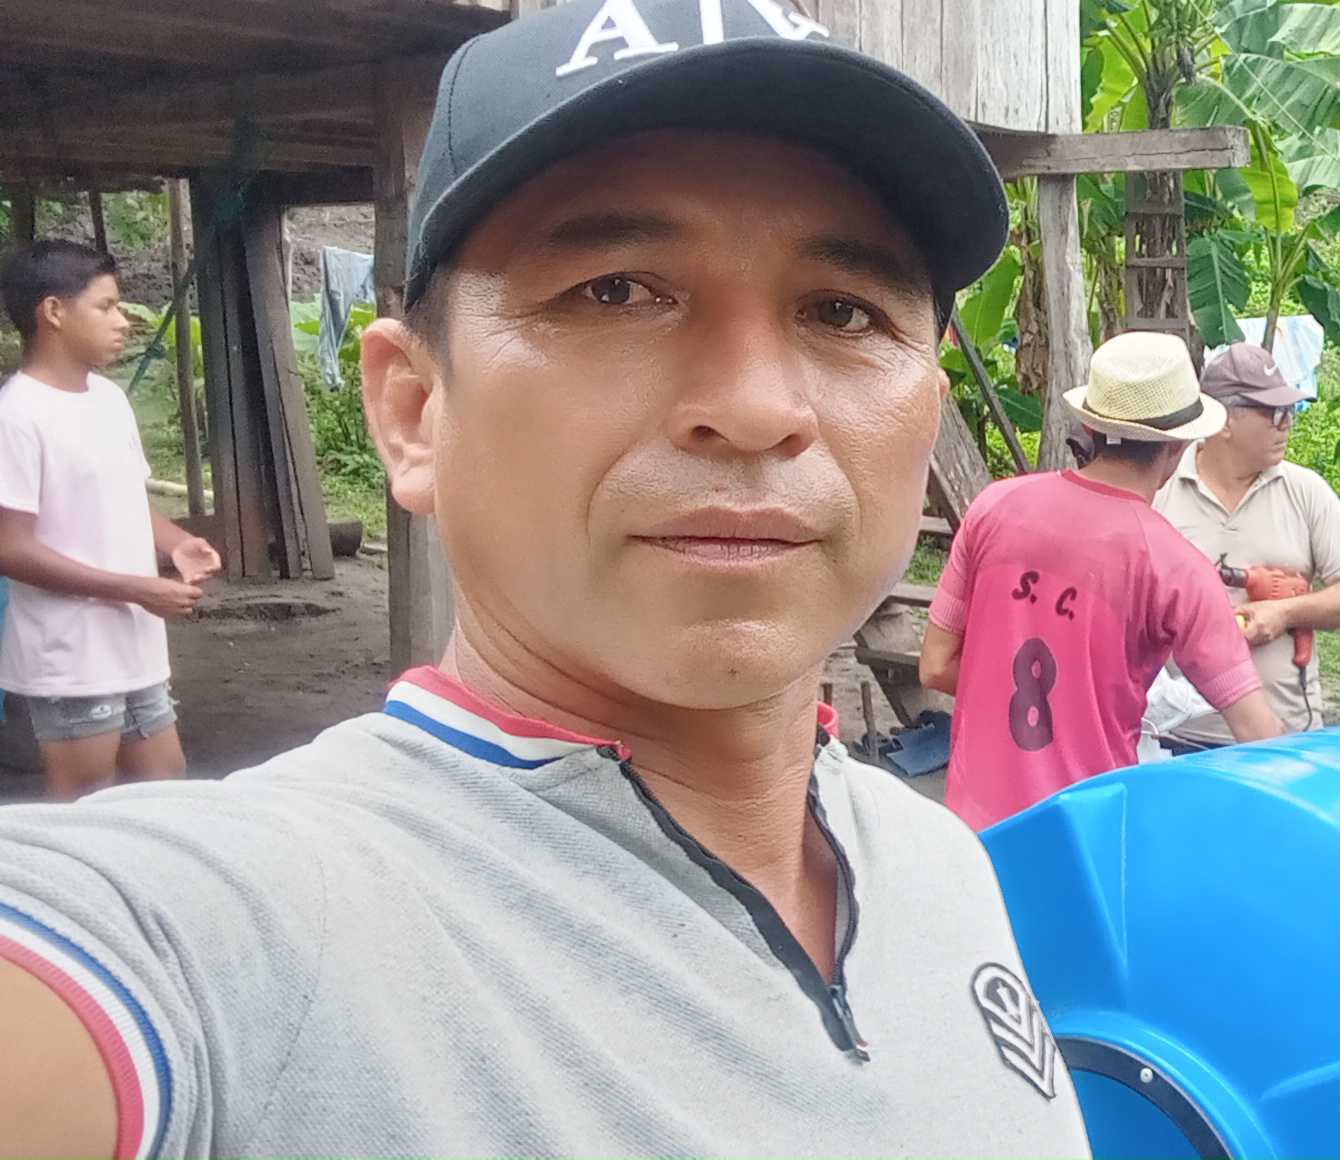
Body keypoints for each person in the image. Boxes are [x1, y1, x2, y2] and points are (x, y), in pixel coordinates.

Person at [0, 3, 1097, 1154]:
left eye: (842, 311)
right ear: (414, 411)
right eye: (614, 290)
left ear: (924, 413)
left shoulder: (940, 863)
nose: (757, 405)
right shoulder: (239, 933)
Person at [924, 331, 1283, 825]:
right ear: (1178, 446)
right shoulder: (1178, 569)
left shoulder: (994, 506)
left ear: (1091, 428)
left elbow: (935, 666)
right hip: (1086, 837)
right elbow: (1259, 734)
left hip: (974, 829)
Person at [0, 241, 224, 802]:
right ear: (53, 312)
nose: (122, 322)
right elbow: (10, 548)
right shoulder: (17, 416)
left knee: (164, 783)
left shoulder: (107, 399)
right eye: (105, 306)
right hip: (72, 652)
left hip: (133, 646)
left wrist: (177, 543)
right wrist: (134, 589)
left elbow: (122, 497)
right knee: (83, 795)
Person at [1151, 342, 1340, 744]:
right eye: (1274, 412)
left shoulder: (1306, 491)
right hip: (1178, 736)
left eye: (1290, 410)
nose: (1287, 423)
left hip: (1286, 737)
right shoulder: (1160, 490)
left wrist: (1284, 612)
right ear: (1223, 421)